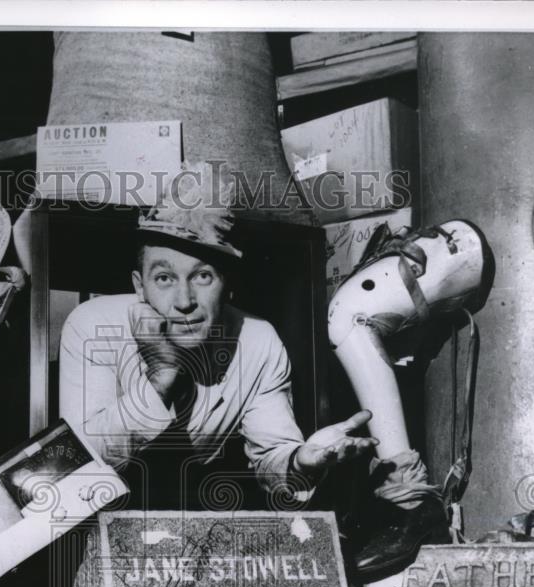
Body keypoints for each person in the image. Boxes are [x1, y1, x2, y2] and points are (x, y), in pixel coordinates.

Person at [58, 162, 377, 511]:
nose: (184, 302)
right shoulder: (92, 325)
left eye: (203, 277)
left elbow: (271, 457)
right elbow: (79, 466)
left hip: (192, 504)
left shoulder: (258, 341)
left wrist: (299, 462)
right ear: (139, 287)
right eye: (164, 278)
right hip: (99, 511)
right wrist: (159, 384)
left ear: (227, 286)